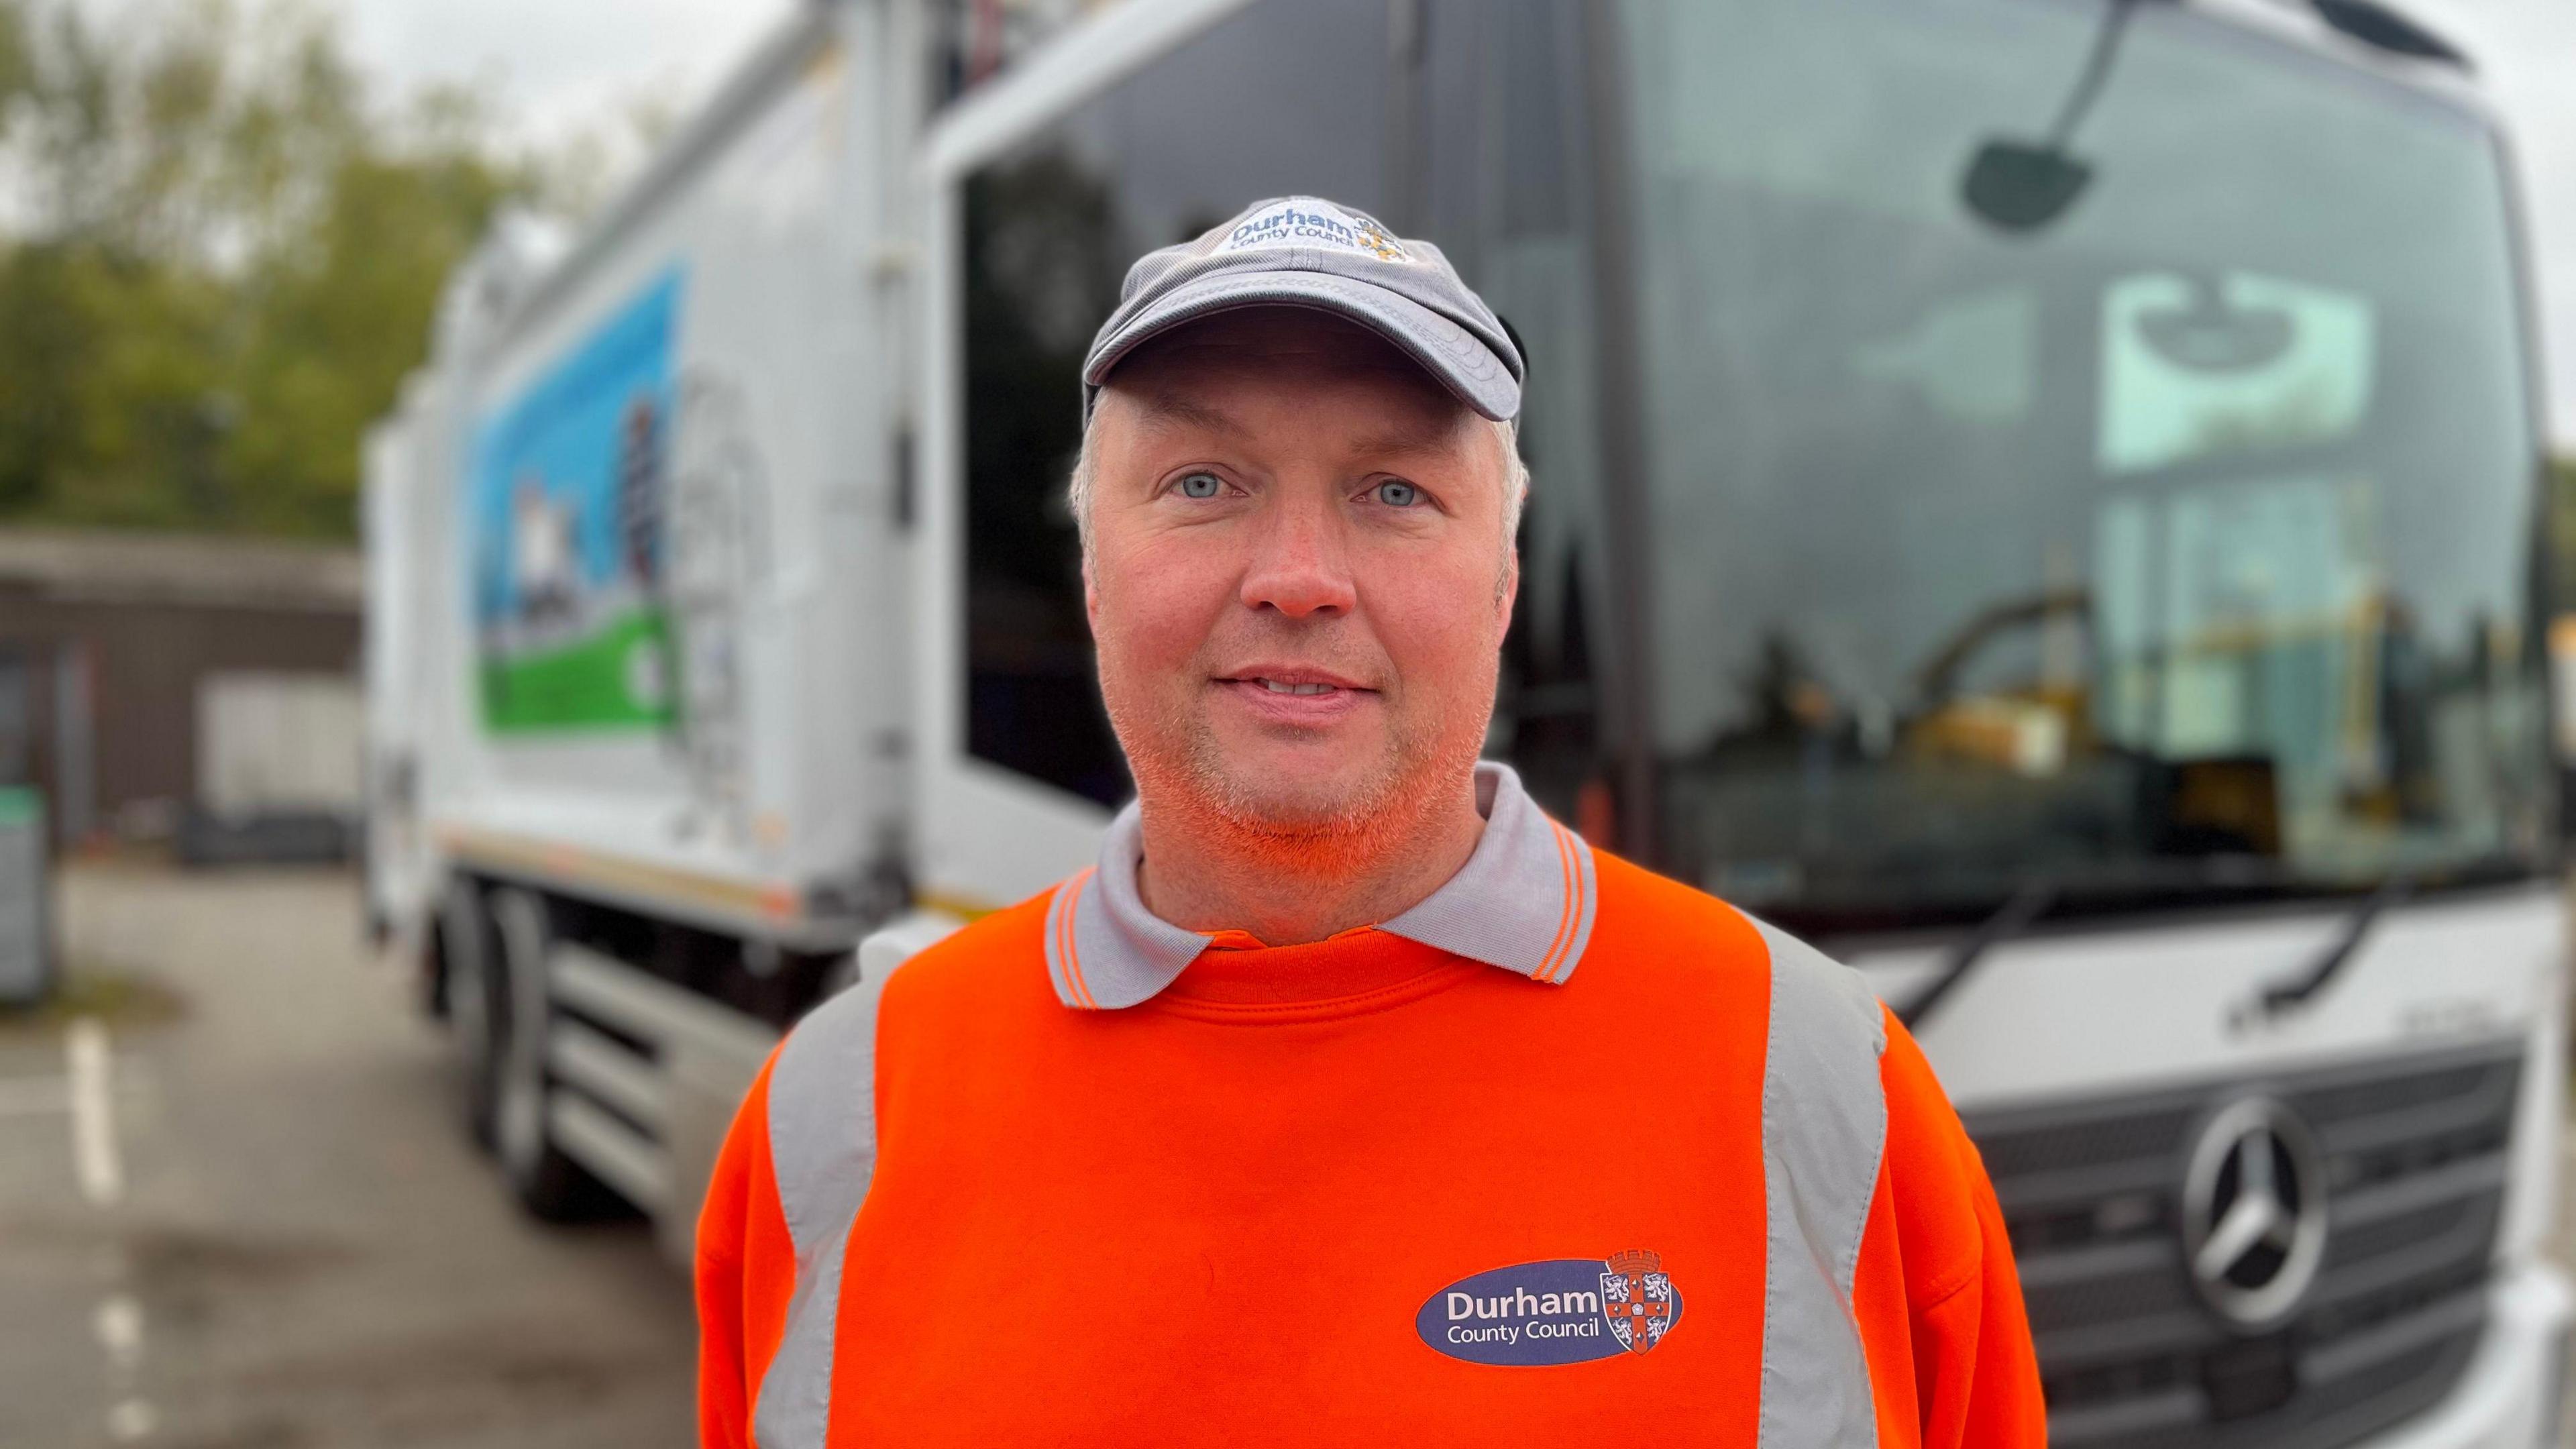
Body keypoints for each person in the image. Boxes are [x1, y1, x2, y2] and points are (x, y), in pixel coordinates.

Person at [695, 195, 2045, 1447]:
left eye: (1395, 492)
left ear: (1504, 581)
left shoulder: (1823, 1090)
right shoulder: (833, 1115)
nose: (1298, 579)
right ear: (1095, 571)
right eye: (1204, 483)